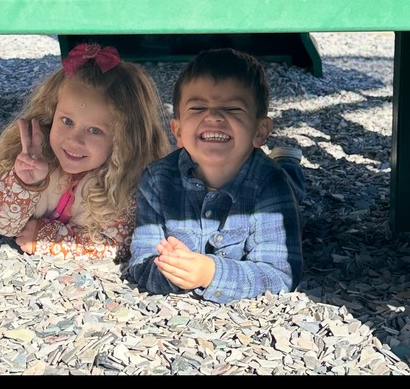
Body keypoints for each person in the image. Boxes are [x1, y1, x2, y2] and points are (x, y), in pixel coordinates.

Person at [128, 47, 306, 303]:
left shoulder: (270, 184)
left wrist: (211, 274)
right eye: (198, 107)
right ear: (178, 131)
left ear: (260, 131)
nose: (212, 116)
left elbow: (280, 275)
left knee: (293, 188)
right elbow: (142, 261)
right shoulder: (156, 180)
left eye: (232, 109)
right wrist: (173, 271)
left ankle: (288, 162)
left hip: (275, 180)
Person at [0, 42, 171, 262]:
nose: (74, 140)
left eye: (95, 130)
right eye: (67, 121)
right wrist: (23, 183)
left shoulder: (124, 184)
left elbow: (114, 246)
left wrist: (48, 237)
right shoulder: (33, 158)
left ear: (125, 140)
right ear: (50, 115)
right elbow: (1, 225)